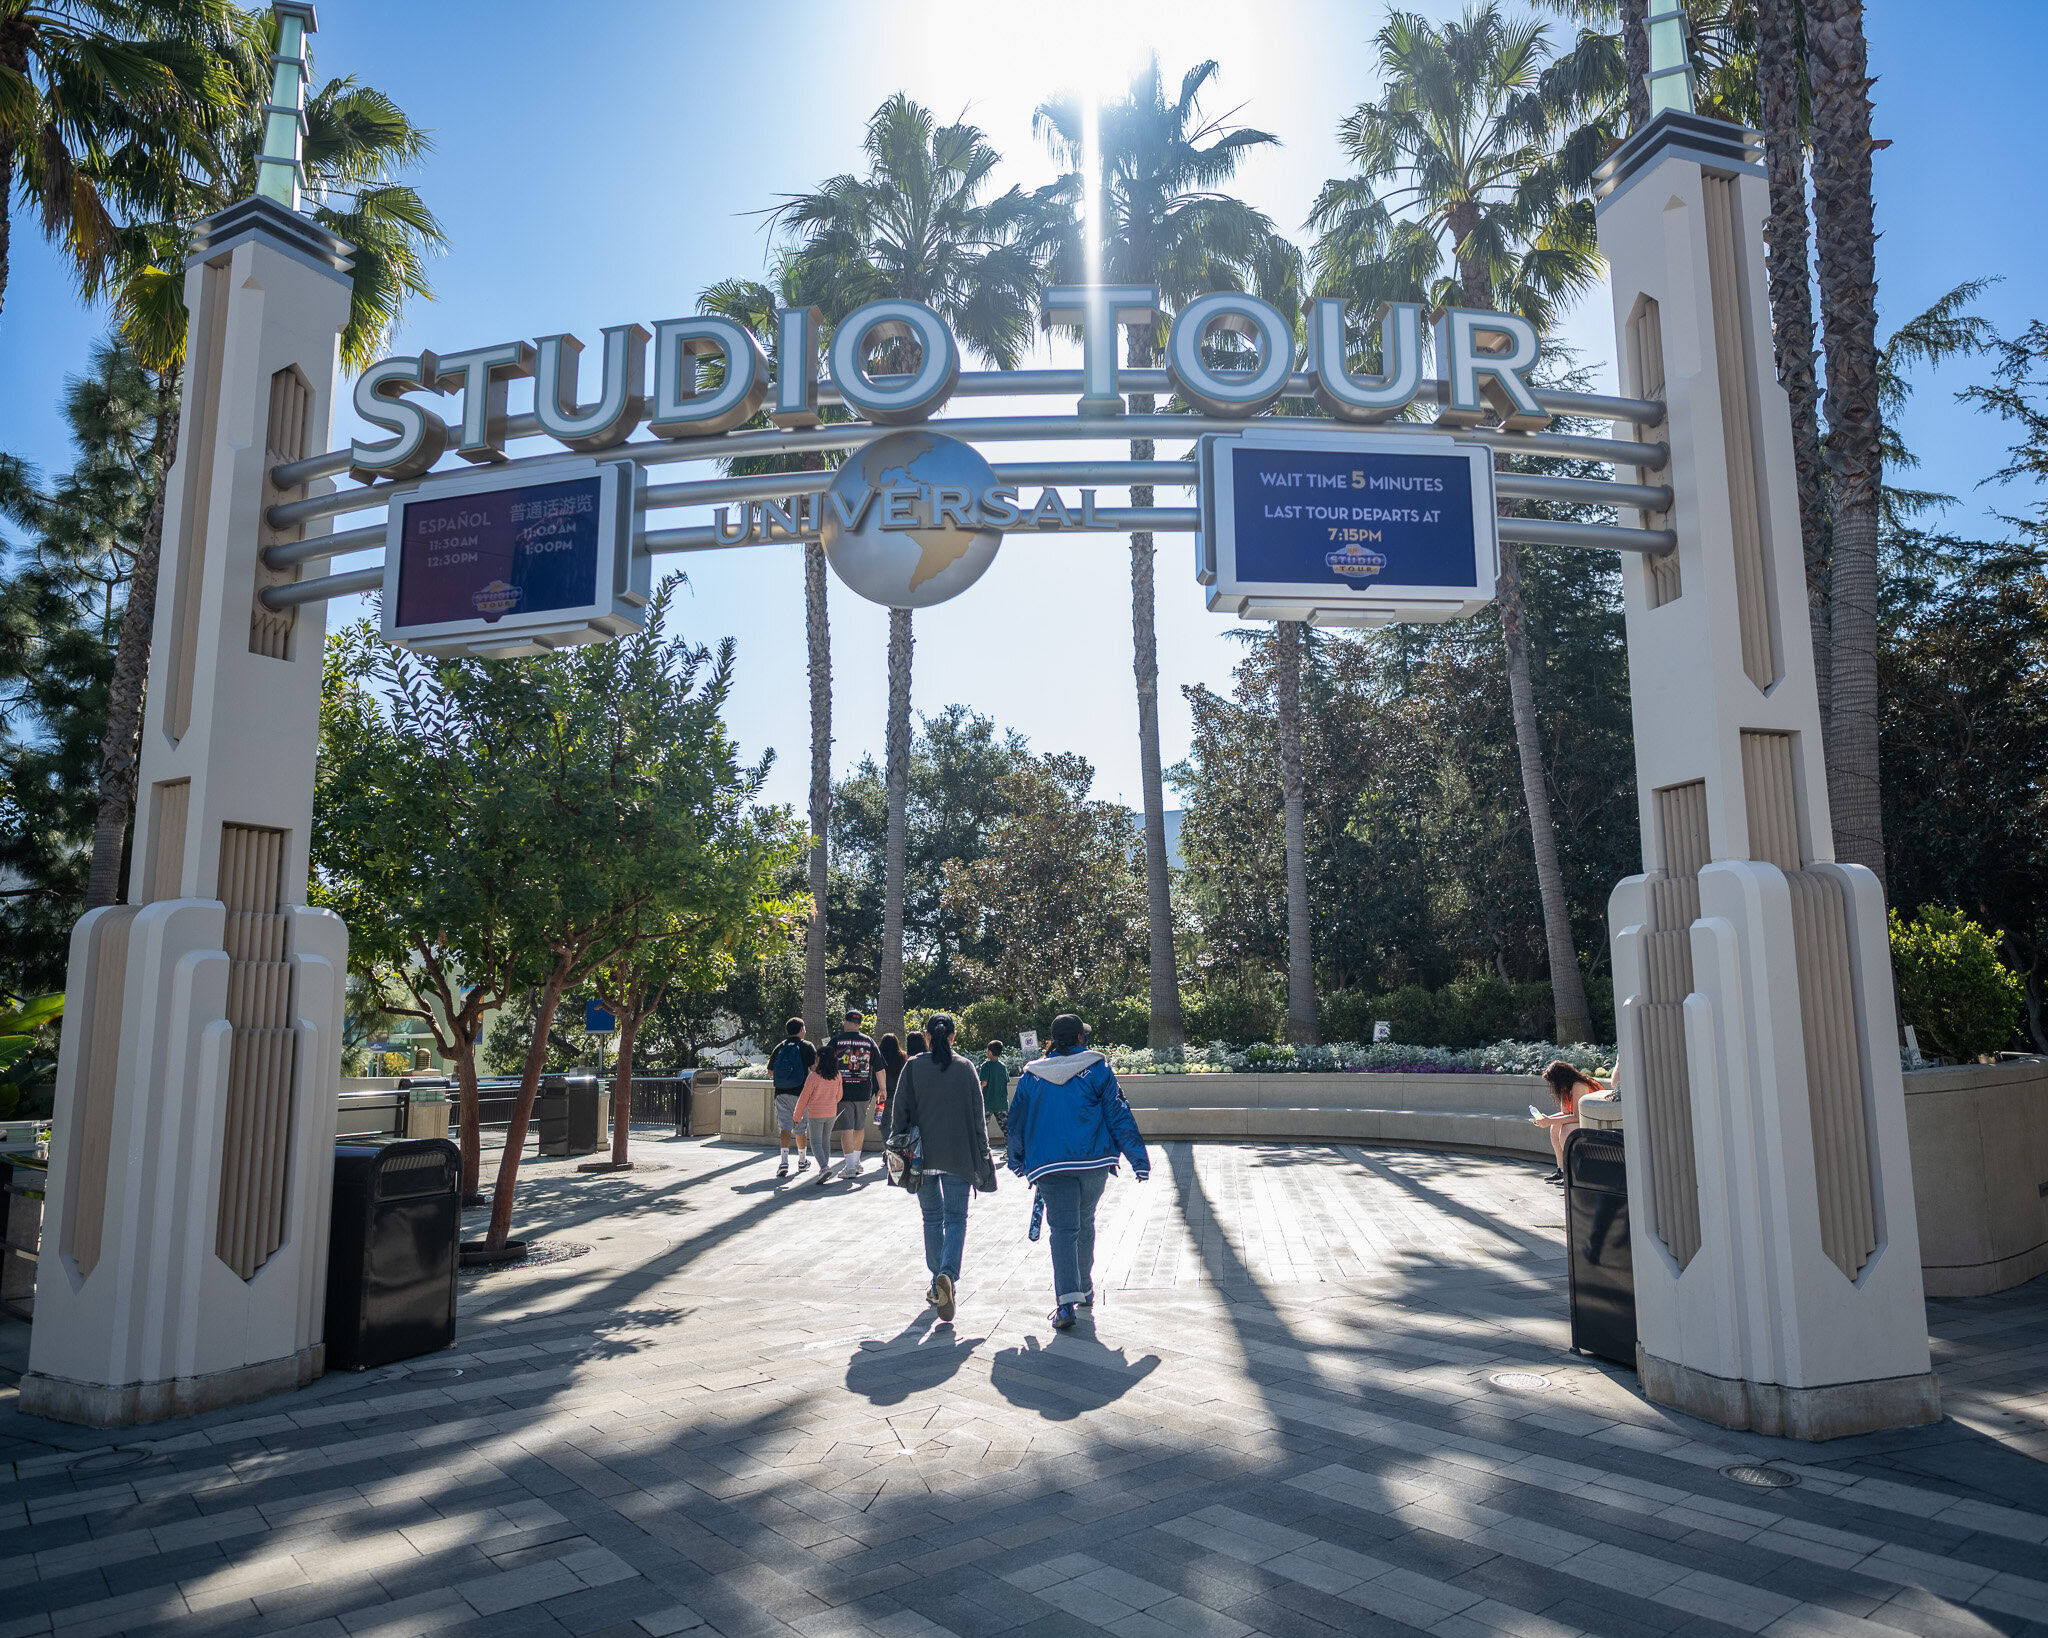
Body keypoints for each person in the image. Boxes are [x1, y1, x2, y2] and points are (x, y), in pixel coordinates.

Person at [1007, 1013, 1149, 1330]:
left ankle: (1066, 1303)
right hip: (1093, 1162)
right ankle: (1084, 1289)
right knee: (1084, 1223)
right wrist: (1138, 1159)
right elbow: (1118, 1113)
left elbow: (1016, 1119)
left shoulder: (1032, 1076)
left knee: (1063, 1229)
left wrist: (1016, 1159)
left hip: (1049, 1165)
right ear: (1081, 1039)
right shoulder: (1098, 1069)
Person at [886, 1014, 991, 1323]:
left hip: (921, 1157)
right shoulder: (966, 1068)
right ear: (953, 1037)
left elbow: (899, 1111)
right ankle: (947, 1274)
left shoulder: (913, 1066)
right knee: (956, 1218)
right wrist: (983, 1152)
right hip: (959, 1155)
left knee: (931, 1218)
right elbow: (977, 1114)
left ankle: (937, 1283)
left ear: (928, 1037)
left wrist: (896, 1144)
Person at [826, 1008, 882, 1178]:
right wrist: (883, 1088)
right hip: (864, 1090)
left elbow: (824, 1064)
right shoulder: (868, 1041)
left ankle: (850, 1167)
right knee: (859, 1127)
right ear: (859, 1024)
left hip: (843, 1091)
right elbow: (880, 1067)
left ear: (846, 1022)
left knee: (846, 1128)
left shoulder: (835, 1042)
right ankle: (856, 1163)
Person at [1533, 1059, 1603, 1184]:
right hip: (1584, 1118)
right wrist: (1546, 1120)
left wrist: (1549, 1120)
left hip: (1596, 1120)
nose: (1552, 1085)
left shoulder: (1578, 1086)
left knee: (1565, 1130)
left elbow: (1577, 1117)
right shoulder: (1565, 1089)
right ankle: (1562, 1170)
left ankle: (1571, 1174)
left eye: (1553, 1082)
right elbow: (1565, 1114)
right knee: (1555, 1127)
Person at [768, 1018, 816, 1179]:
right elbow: (814, 1069)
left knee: (785, 1127)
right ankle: (802, 1160)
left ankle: (783, 1162)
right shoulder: (807, 1046)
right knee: (801, 1127)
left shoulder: (780, 1047)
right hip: (800, 1093)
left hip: (780, 1093)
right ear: (801, 1029)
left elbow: (770, 1071)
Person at [792, 1043, 845, 1186]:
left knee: (815, 1142)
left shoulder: (813, 1077)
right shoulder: (838, 1076)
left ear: (820, 1060)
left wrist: (797, 1116)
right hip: (831, 1112)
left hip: (816, 1113)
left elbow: (804, 1098)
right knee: (825, 1140)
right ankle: (824, 1168)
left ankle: (824, 1167)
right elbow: (839, 1096)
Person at [978, 1041, 1011, 1138]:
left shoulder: (986, 1065)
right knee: (1007, 1129)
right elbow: (1006, 1081)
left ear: (990, 1053)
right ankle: (1010, 1150)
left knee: (982, 1129)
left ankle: (984, 1152)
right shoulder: (1002, 1066)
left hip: (988, 1102)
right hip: (1001, 1103)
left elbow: (984, 1083)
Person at [875, 1032, 904, 1125]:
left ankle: (886, 1139)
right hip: (897, 1095)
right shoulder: (902, 1057)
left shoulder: (878, 1058)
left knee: (883, 1124)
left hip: (881, 1096)